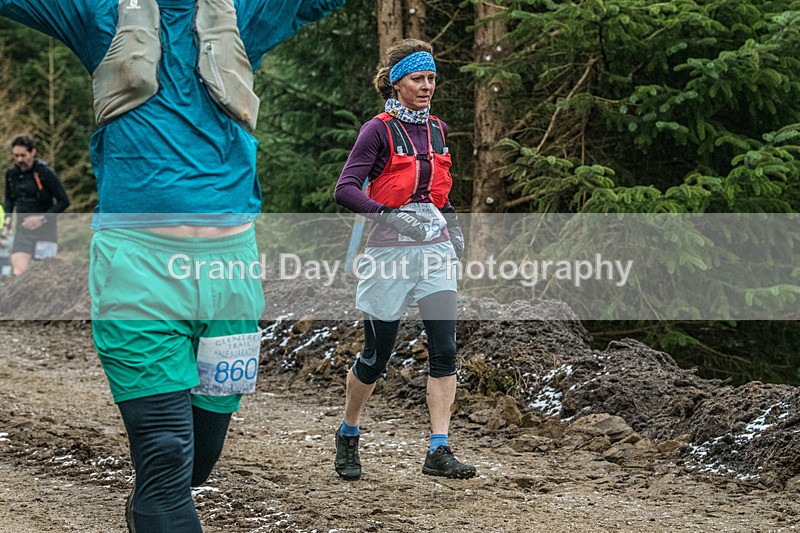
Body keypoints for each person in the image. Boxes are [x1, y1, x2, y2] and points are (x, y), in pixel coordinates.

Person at [0, 1, 345, 531]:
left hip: (230, 276)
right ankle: (156, 500)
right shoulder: (101, 14)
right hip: (137, 270)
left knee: (198, 462)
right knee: (165, 452)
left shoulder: (240, 13)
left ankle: (149, 507)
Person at [333, 38, 474, 481]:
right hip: (388, 254)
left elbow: (439, 193)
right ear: (397, 83)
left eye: (432, 78)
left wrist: (453, 226)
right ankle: (349, 432)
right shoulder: (377, 130)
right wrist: (389, 216)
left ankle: (438, 449)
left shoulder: (438, 129)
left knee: (445, 351)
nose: (427, 86)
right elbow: (346, 189)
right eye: (418, 78)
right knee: (377, 356)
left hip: (434, 253)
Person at [1, 135, 70, 275]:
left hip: (45, 230)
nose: (20, 160)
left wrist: (41, 219)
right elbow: (9, 200)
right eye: (16, 156)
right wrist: (7, 220)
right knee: (19, 272)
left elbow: (64, 201)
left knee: (44, 274)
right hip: (22, 230)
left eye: (23, 155)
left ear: (33, 152)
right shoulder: (11, 174)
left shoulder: (45, 172)